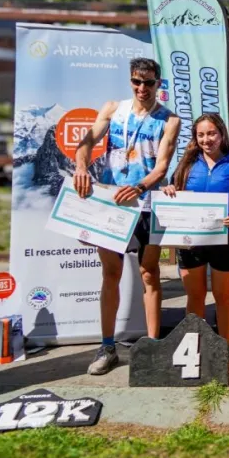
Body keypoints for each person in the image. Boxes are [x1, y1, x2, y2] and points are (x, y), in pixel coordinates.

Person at [73, 57, 181, 376]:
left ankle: (152, 347)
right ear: (130, 81)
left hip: (146, 203)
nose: (142, 88)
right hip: (112, 203)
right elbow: (86, 143)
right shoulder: (112, 109)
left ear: (158, 83)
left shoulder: (169, 120)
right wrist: (81, 167)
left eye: (148, 82)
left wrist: (139, 186)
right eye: (136, 81)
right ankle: (107, 347)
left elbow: (162, 166)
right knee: (111, 274)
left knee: (149, 273)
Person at [160, 113, 229, 373]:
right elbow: (173, 189)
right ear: (195, 138)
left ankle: (224, 350)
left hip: (225, 239)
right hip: (191, 241)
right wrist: (169, 190)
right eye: (201, 135)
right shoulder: (186, 163)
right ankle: (194, 350)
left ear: (222, 133)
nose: (207, 140)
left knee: (223, 296)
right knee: (195, 296)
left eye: (212, 133)